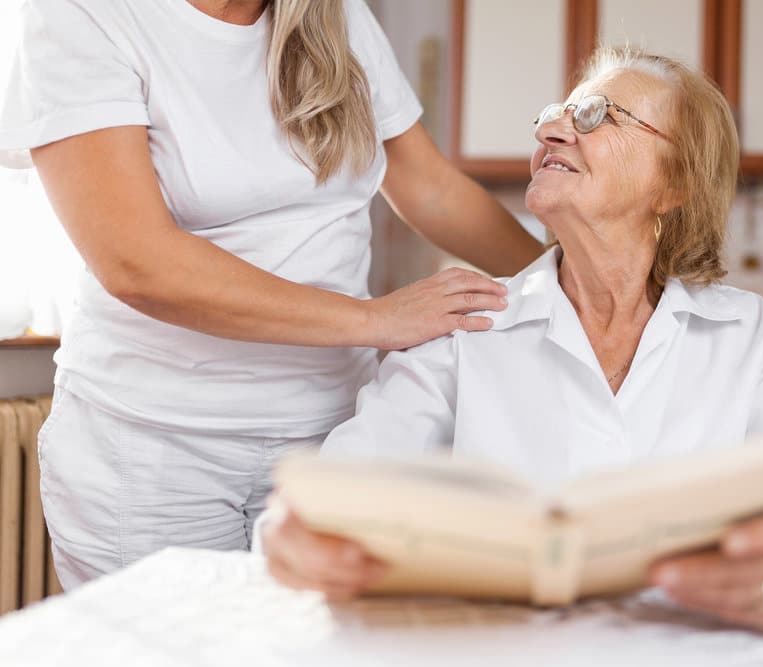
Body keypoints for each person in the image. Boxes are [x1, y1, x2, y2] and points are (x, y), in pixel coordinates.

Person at [260, 48, 763, 633]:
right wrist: (300, 535)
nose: (550, 129)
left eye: (600, 114)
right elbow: (334, 487)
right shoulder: (462, 322)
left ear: (675, 185)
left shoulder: (753, 339)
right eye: (555, 115)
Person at [0, 0, 541, 589]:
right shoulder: (82, 13)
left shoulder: (335, 15)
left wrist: (565, 278)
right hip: (157, 452)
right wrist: (375, 320)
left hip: (331, 439)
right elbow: (137, 262)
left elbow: (430, 188)